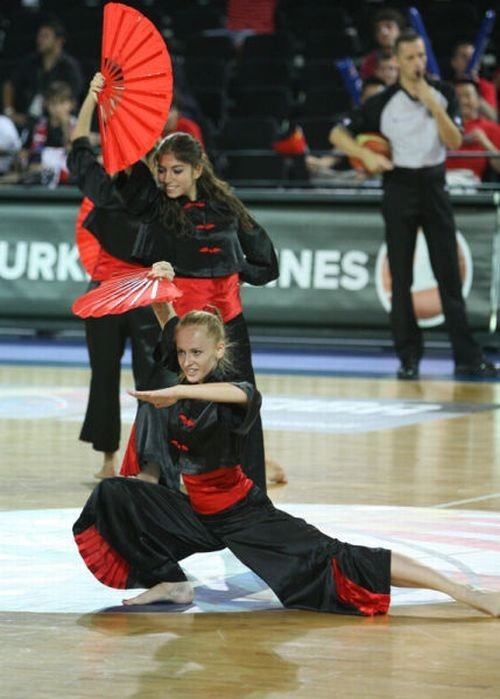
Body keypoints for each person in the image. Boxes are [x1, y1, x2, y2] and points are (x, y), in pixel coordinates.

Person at [72, 304, 500, 617]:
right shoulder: (189, 372)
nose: (187, 362)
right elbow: (174, 341)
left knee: (339, 558)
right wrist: (163, 299)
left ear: (220, 350)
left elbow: (241, 395)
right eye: (183, 355)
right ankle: (172, 583)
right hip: (195, 514)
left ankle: (462, 592)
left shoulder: (234, 389)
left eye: (198, 354)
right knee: (114, 494)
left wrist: (178, 391)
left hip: (243, 516)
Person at [113, 118, 285, 490]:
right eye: (162, 170)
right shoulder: (156, 206)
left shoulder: (226, 206)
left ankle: (248, 490)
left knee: (241, 404)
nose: (167, 178)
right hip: (181, 328)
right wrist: (119, 123)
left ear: (197, 169)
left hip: (230, 329)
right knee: (160, 401)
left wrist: (234, 272)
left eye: (177, 170)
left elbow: (267, 261)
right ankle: (158, 488)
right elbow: (131, 191)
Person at [330, 29, 500, 380]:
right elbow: (337, 132)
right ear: (397, 61)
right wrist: (363, 154)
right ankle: (408, 357)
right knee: (402, 277)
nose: (418, 63)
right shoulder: (383, 102)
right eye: (410, 57)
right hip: (400, 186)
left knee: (448, 276)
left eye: (421, 56)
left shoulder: (444, 93)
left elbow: (453, 139)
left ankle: (466, 357)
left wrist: (432, 102)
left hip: (435, 184)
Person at [67, 74, 177, 481]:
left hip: (132, 294)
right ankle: (125, 461)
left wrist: (93, 101)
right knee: (131, 378)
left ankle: (131, 460)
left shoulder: (142, 190)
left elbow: (79, 147)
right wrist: (97, 101)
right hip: (127, 294)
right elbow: (80, 150)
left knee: (136, 379)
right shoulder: (127, 190)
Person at [2, 17, 83, 129]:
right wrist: (10, 112)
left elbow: (73, 98)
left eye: (45, 36)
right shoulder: (30, 61)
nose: (39, 40)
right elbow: (10, 84)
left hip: (58, 121)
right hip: (29, 119)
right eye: (39, 36)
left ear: (59, 40)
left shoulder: (70, 67)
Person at [446, 79, 500, 182]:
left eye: (467, 96)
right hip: (437, 176)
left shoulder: (492, 128)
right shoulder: (444, 124)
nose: (463, 101)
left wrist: (485, 142)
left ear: (478, 100)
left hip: (468, 179)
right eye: (458, 97)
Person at [448, 41, 497, 122]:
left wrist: (473, 92)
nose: (469, 61)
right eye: (464, 57)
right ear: (454, 62)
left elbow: (493, 118)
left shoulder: (486, 86)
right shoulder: (447, 86)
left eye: (473, 58)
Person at [359, 7, 406, 81]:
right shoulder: (370, 61)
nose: (383, 32)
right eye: (378, 29)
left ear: (400, 31)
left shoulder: (414, 55)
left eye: (389, 26)